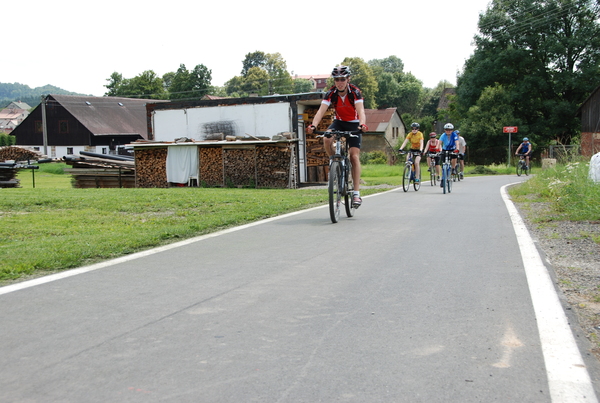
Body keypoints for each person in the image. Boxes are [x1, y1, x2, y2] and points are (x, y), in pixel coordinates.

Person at [307, 65, 368, 206]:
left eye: (342, 79)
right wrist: (313, 126)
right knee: (326, 137)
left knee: (353, 156)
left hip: (354, 124)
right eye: (336, 79)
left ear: (348, 79)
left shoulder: (355, 92)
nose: (339, 82)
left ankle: (357, 193)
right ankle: (334, 160)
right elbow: (321, 112)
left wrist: (362, 125)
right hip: (339, 122)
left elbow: (361, 111)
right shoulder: (331, 93)